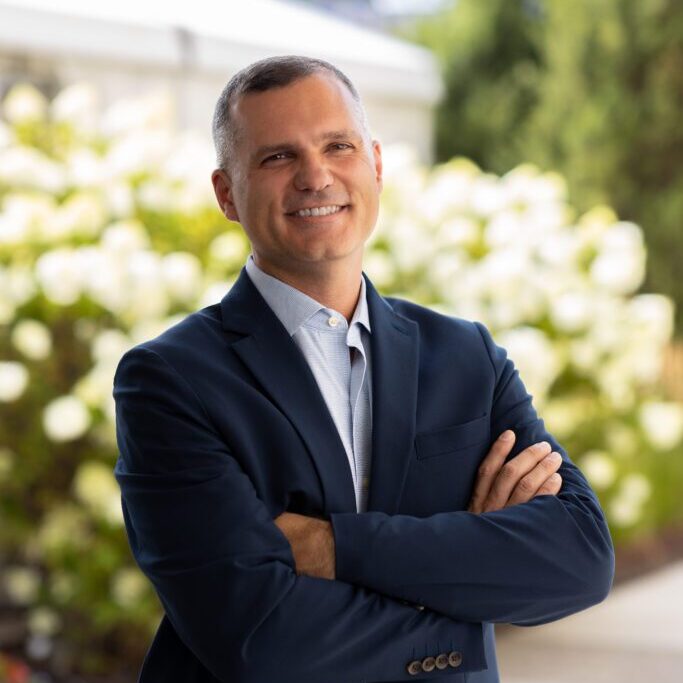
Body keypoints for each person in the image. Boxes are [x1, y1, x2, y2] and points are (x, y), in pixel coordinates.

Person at [113, 55, 614, 683]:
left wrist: (332, 547)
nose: (315, 176)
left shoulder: (467, 358)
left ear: (375, 164)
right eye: (277, 157)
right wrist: (465, 573)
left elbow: (580, 560)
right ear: (226, 194)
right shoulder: (168, 380)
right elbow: (259, 640)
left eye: (337, 146)